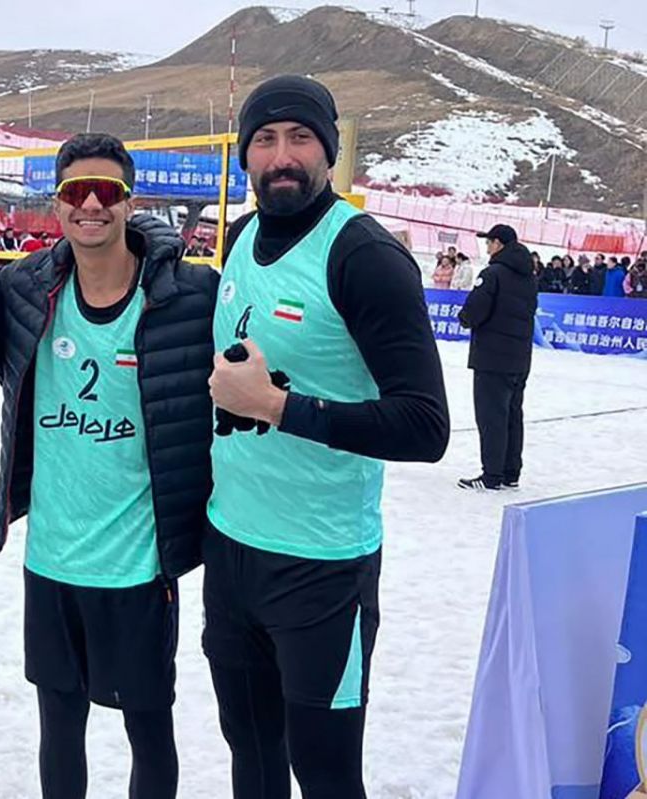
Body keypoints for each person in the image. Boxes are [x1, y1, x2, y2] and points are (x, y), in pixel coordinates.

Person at [0, 132, 217, 799]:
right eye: (76, 191)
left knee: (148, 729)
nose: (91, 204)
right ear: (58, 202)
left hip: (138, 567)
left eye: (107, 191)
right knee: (59, 727)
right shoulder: (26, 287)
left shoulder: (190, 297)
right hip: (52, 561)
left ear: (130, 202)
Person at [205, 75, 449, 799]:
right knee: (251, 754)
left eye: (301, 138)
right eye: (265, 139)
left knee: (325, 772)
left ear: (329, 151)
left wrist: (281, 407)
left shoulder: (363, 255)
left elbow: (425, 425)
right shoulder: (242, 237)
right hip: (231, 548)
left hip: (321, 567)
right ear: (246, 156)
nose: (282, 156)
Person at [457, 224, 537, 490]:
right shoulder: (529, 276)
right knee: (513, 415)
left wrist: (464, 318)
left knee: (492, 416)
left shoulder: (493, 274)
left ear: (499, 244)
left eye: (489, 242)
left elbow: (475, 309)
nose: (487, 247)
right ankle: (510, 472)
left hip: (492, 357)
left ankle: (491, 475)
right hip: (520, 357)